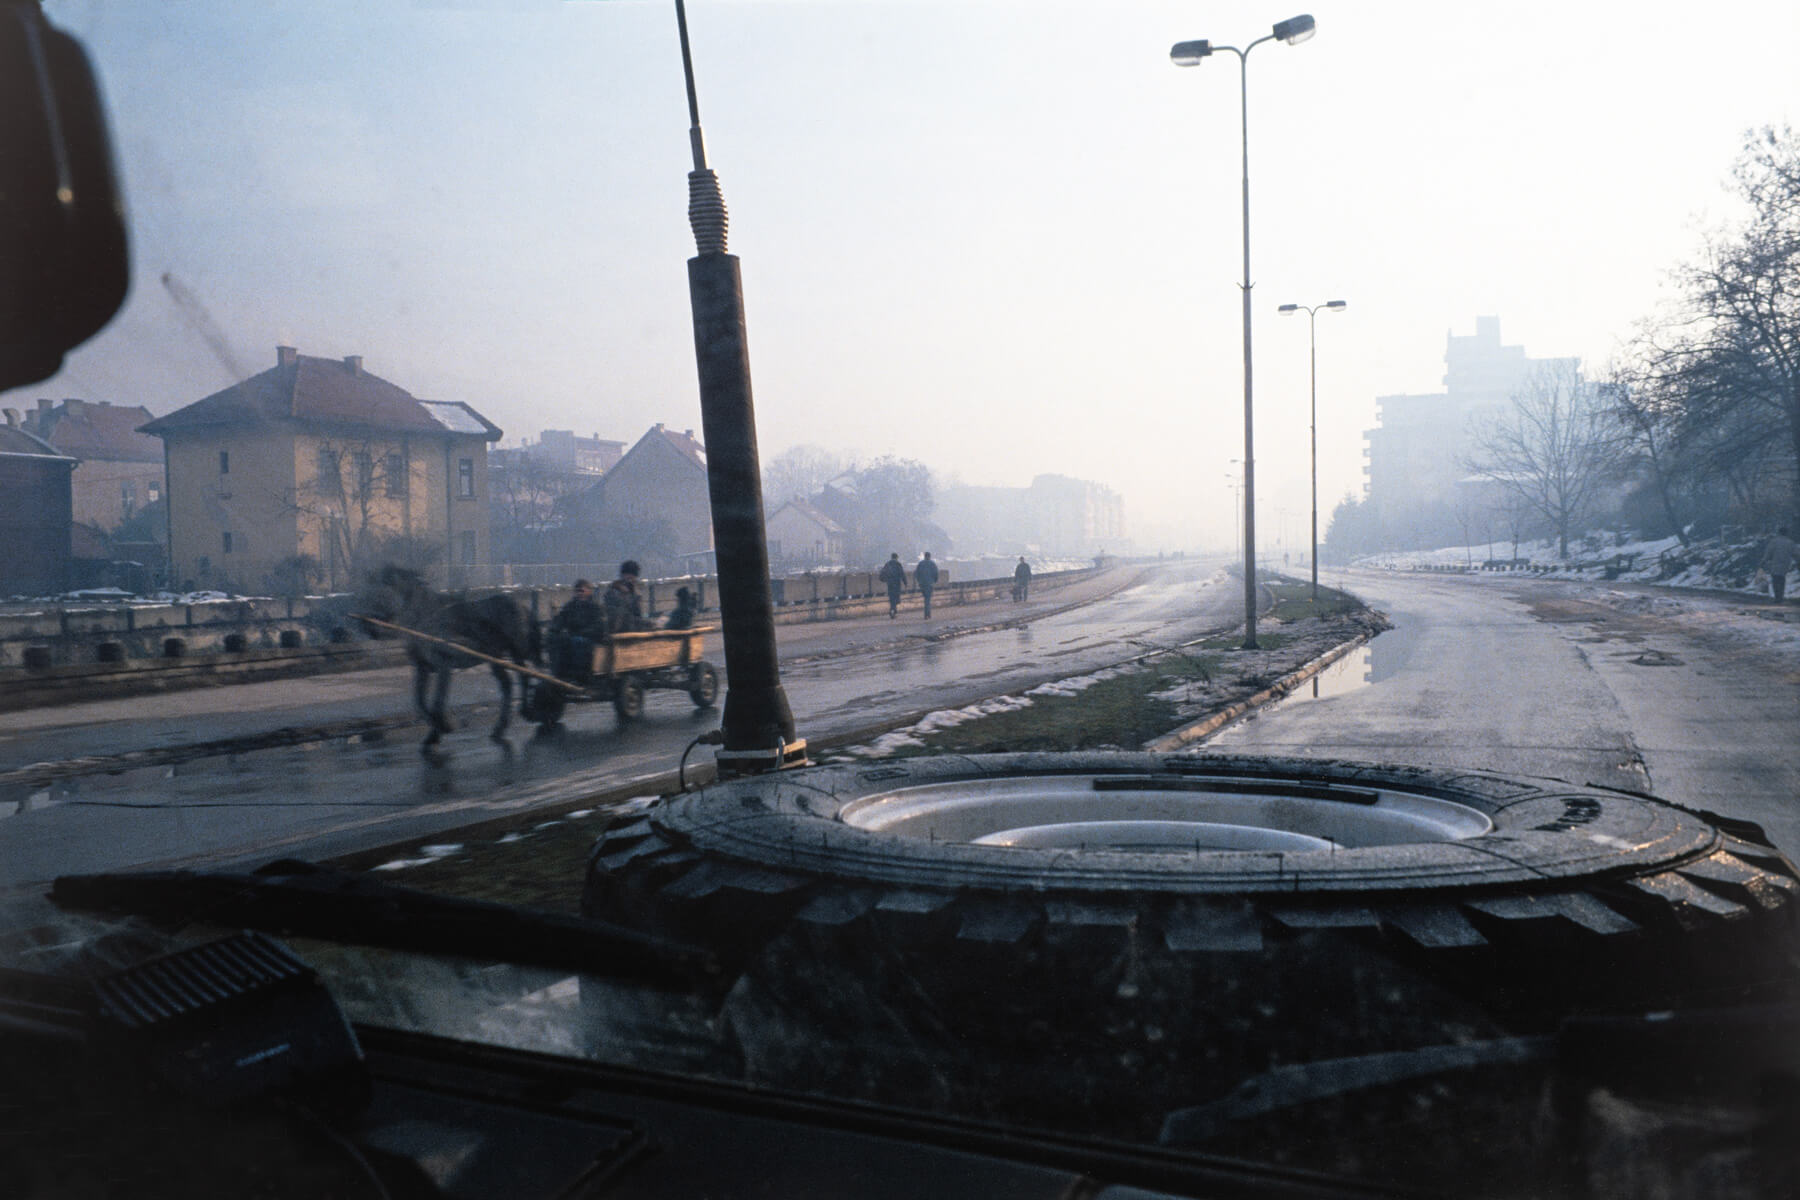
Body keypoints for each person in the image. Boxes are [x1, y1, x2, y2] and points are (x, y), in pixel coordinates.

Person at [547, 578, 605, 680]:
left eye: (582, 591)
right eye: (577, 591)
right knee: (557, 641)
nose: (579, 594)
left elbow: (599, 626)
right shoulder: (571, 606)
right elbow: (561, 618)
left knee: (577, 642)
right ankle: (559, 671)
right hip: (573, 636)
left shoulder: (595, 607)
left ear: (589, 591)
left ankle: (580, 673)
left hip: (591, 639)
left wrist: (583, 633)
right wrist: (553, 630)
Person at [604, 560, 652, 633]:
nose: (631, 579)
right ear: (623, 575)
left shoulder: (635, 591)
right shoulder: (613, 591)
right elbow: (616, 614)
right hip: (619, 629)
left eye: (633, 576)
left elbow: (637, 613)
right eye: (628, 575)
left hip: (633, 628)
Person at [1762, 526, 1797, 602]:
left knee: (1775, 579)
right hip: (1785, 563)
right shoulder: (1790, 542)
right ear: (1786, 533)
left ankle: (1777, 596)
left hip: (1775, 562)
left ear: (1779, 533)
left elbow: (1769, 552)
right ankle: (1780, 596)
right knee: (1782, 579)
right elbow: (1796, 553)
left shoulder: (1774, 541)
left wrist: (1764, 560)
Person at [878, 552, 906, 618]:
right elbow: (902, 574)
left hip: (890, 584)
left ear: (891, 557)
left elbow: (882, 573)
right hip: (897, 584)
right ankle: (893, 610)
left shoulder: (888, 564)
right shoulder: (898, 564)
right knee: (896, 597)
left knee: (891, 598)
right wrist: (905, 582)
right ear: (896, 557)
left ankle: (893, 610)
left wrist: (885, 580)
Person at [914, 551, 940, 619]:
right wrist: (934, 580)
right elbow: (936, 573)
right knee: (928, 599)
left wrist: (919, 581)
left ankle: (927, 613)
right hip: (930, 583)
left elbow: (916, 574)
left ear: (924, 556)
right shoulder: (932, 564)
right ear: (929, 556)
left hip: (922, 584)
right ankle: (927, 614)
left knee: (926, 598)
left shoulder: (920, 564)